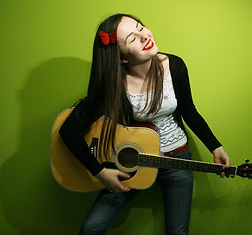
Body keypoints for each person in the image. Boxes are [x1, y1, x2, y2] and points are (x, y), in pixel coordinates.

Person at [59, 13, 232, 235]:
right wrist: (100, 172)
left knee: (178, 233)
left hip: (178, 159)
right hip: (134, 162)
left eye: (141, 27)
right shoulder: (113, 85)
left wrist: (215, 147)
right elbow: (69, 130)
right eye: (132, 38)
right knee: (91, 228)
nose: (144, 36)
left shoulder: (175, 66)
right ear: (121, 58)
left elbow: (189, 112)